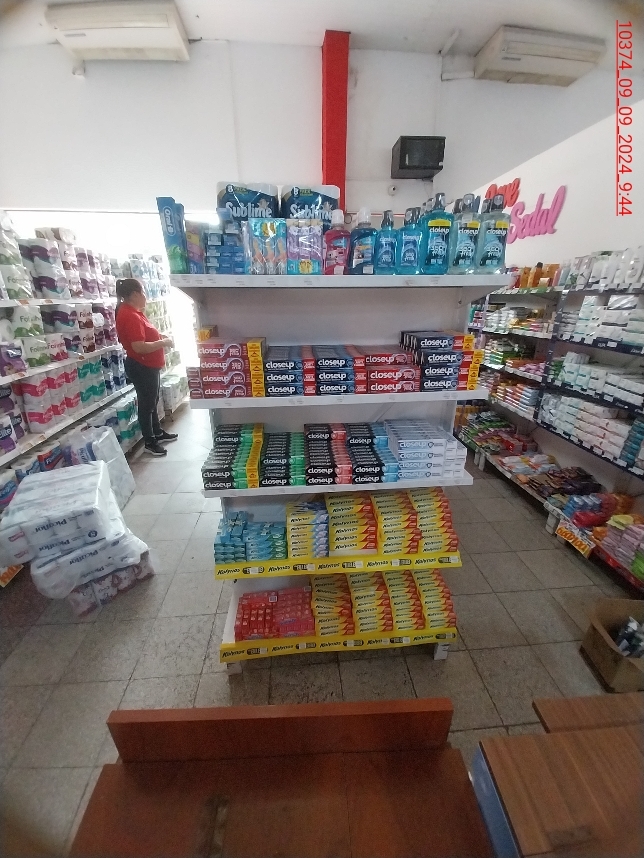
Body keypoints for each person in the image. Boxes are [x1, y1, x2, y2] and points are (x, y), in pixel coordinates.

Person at [115, 277, 177, 456]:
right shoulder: (130, 315)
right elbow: (139, 347)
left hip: (148, 365)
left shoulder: (135, 312)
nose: (145, 296)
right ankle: (150, 442)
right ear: (135, 294)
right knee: (146, 404)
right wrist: (163, 342)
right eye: (143, 292)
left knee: (152, 400)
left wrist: (160, 337)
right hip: (142, 366)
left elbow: (146, 334)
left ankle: (157, 432)